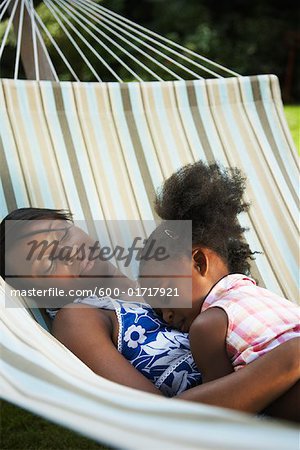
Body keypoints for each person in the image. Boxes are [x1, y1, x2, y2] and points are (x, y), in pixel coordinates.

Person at [1, 208, 299, 415]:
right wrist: (287, 359)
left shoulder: (163, 280)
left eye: (63, 236)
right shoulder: (78, 316)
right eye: (49, 264)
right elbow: (152, 413)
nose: (68, 253)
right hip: (253, 397)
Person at [138, 161, 300, 422]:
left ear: (199, 262)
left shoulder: (208, 325)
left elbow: (226, 404)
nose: (166, 316)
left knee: (178, 412)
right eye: (158, 310)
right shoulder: (260, 294)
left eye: (165, 295)